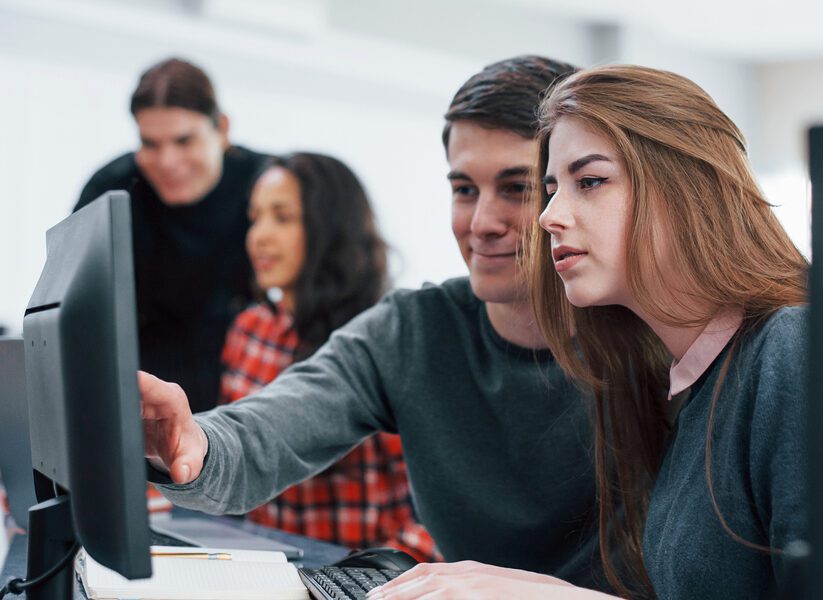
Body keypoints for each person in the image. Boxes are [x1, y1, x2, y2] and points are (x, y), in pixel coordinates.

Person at [139, 56, 629, 591]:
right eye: (464, 189)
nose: (481, 223)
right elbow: (267, 432)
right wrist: (187, 443)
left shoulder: (649, 338)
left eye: (517, 188)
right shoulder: (410, 331)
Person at [372, 65, 809, 599]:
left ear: (687, 188)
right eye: (552, 189)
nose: (549, 216)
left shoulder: (791, 351)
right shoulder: (695, 385)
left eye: (591, 182)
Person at [219, 152, 438, 561]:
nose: (259, 236)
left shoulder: (385, 340)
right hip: (267, 570)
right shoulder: (249, 328)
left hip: (359, 575)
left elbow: (438, 514)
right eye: (255, 217)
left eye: (282, 217)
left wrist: (377, 579)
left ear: (331, 228)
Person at [76, 57, 267, 413]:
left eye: (184, 140)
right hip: (144, 406)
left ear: (222, 129)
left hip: (249, 400)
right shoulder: (109, 190)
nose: (166, 161)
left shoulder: (268, 187)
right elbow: (77, 314)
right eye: (150, 143)